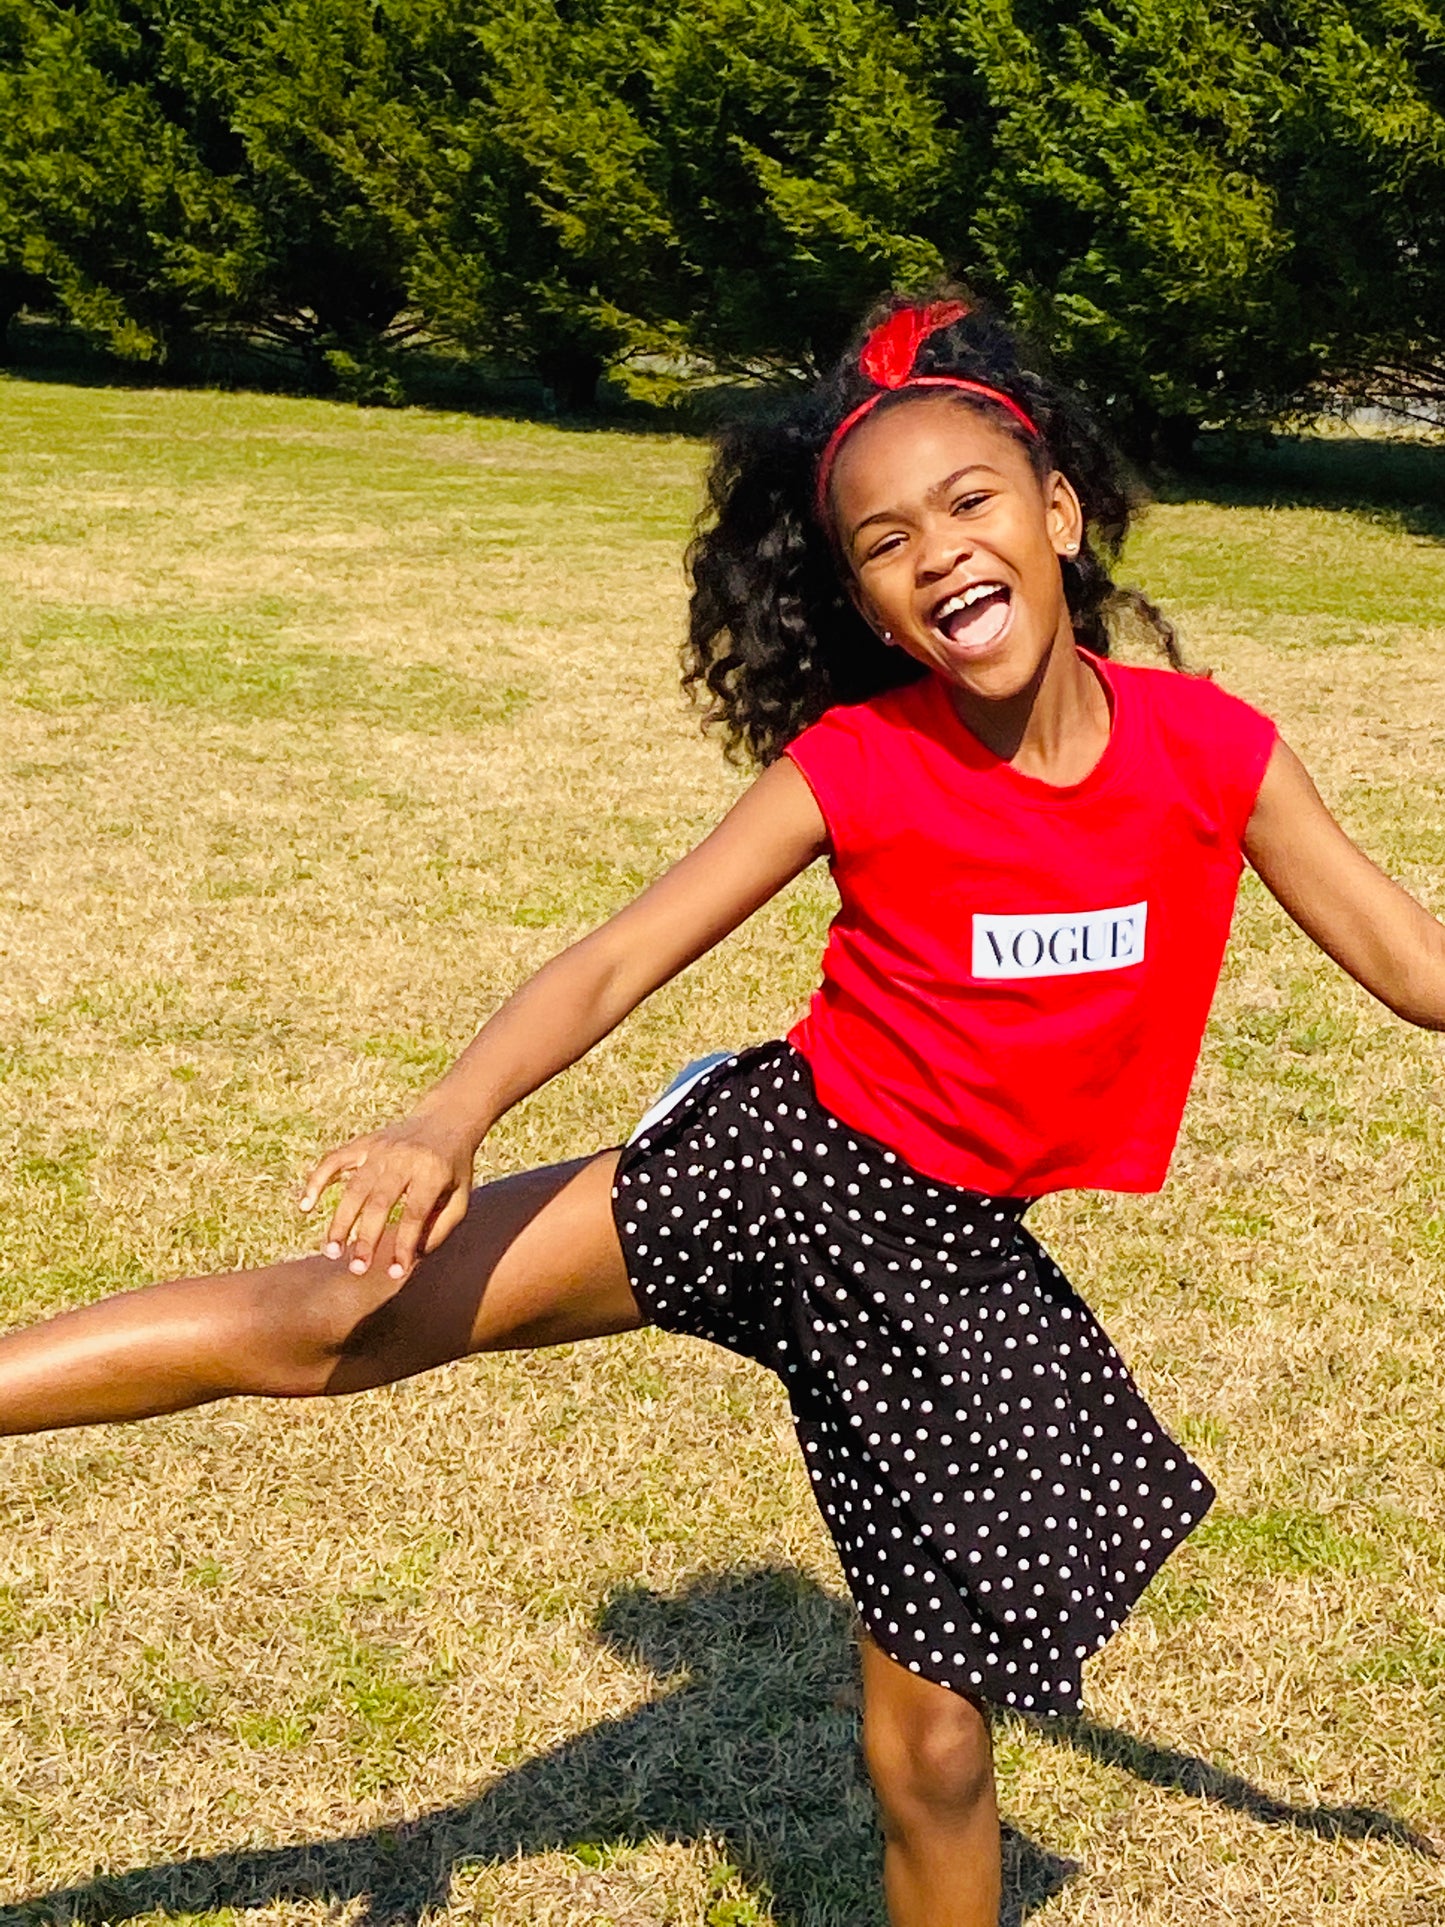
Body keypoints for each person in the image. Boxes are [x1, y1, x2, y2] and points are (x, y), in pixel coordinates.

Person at [2, 294, 1442, 1927]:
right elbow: (617, 956)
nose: (939, 554)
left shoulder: (1213, 750)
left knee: (938, 1743)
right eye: (883, 539)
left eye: (971, 503)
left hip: (945, 1274)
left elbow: (1411, 965)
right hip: (781, 1176)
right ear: (861, 597)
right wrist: (444, 1116)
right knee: (333, 1319)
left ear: (1056, 513)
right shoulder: (859, 763)